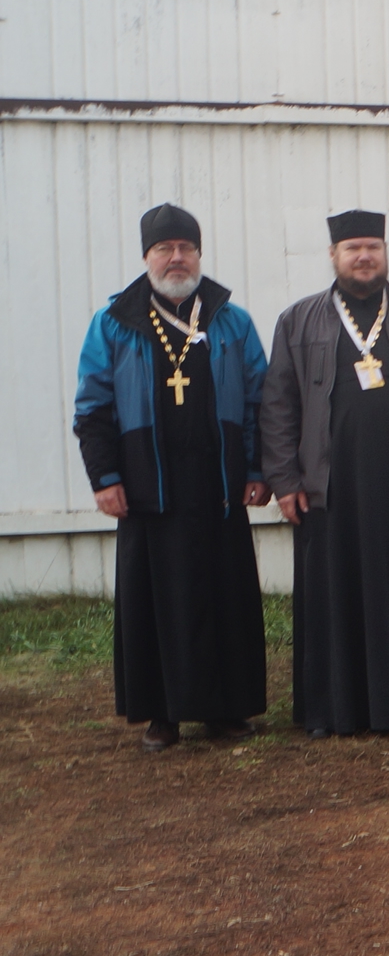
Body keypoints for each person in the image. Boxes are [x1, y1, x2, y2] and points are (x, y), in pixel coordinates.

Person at [260, 209, 389, 736]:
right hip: (330, 487)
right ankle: (338, 708)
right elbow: (278, 406)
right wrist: (284, 480)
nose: (364, 256)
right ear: (333, 256)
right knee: (335, 595)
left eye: (373, 246)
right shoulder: (298, 320)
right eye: (353, 248)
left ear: (385, 251)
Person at [74, 204, 270, 750]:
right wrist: (104, 476)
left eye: (186, 247)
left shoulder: (232, 320)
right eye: (165, 248)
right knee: (156, 603)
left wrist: (256, 468)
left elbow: (259, 401)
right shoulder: (114, 322)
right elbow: (92, 408)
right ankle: (162, 713)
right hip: (148, 487)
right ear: (147, 256)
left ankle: (228, 709)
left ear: (199, 254)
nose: (176, 258)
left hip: (219, 487)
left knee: (225, 596)